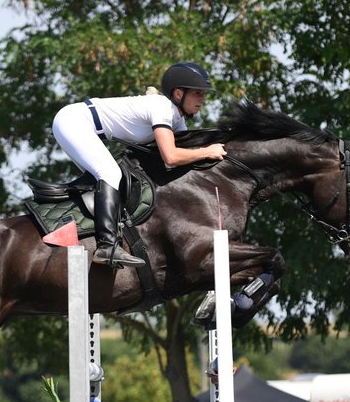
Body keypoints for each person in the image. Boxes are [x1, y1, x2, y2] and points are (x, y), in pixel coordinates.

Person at [51, 61, 228, 267]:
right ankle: (107, 246)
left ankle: (82, 232)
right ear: (178, 94)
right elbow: (171, 157)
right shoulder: (162, 107)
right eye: (198, 93)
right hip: (73, 121)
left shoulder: (176, 119)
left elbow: (185, 153)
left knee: (110, 183)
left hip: (86, 127)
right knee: (110, 173)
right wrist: (208, 151)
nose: (203, 99)